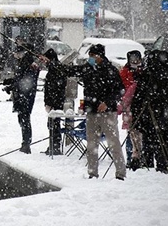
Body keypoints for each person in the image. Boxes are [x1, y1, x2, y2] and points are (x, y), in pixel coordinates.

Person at [69, 44, 126, 180]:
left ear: (100, 56)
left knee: (114, 144)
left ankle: (120, 173)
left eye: (93, 56)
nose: (91, 59)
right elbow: (70, 71)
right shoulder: (87, 69)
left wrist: (107, 102)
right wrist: (52, 64)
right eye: (90, 56)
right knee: (91, 145)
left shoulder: (111, 70)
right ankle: (92, 173)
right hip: (91, 112)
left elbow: (120, 90)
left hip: (108, 113)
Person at [131, 50, 168, 174]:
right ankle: (157, 165)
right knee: (158, 141)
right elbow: (139, 97)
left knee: (164, 141)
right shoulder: (151, 75)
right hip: (153, 116)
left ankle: (165, 166)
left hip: (163, 116)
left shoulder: (167, 76)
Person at [3, 43, 39, 154]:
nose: (15, 55)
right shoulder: (25, 63)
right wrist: (10, 82)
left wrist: (12, 86)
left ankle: (26, 144)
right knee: (23, 119)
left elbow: (25, 82)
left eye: (17, 52)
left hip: (25, 96)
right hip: (23, 96)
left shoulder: (28, 64)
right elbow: (20, 78)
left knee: (25, 119)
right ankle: (25, 142)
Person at [118, 50, 143, 170]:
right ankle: (130, 158)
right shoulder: (124, 71)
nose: (135, 61)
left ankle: (139, 158)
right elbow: (122, 88)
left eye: (136, 58)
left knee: (140, 134)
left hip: (141, 106)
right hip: (129, 107)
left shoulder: (143, 70)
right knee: (131, 133)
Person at [40, 48, 68, 155]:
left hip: (55, 102)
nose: (44, 62)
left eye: (46, 59)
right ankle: (53, 145)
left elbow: (54, 88)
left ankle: (55, 145)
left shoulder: (56, 69)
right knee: (52, 124)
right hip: (55, 101)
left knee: (54, 124)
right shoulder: (54, 68)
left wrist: (50, 102)